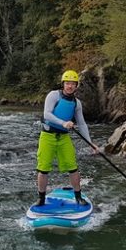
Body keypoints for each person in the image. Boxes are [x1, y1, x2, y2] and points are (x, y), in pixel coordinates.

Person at [36, 69, 99, 206]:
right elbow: (47, 114)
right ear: (63, 84)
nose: (70, 86)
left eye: (73, 84)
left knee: (73, 167)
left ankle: (78, 197)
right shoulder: (53, 95)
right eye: (67, 83)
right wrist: (63, 123)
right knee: (43, 168)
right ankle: (41, 198)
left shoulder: (77, 103)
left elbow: (82, 124)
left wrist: (90, 143)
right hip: (47, 136)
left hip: (64, 137)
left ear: (76, 86)